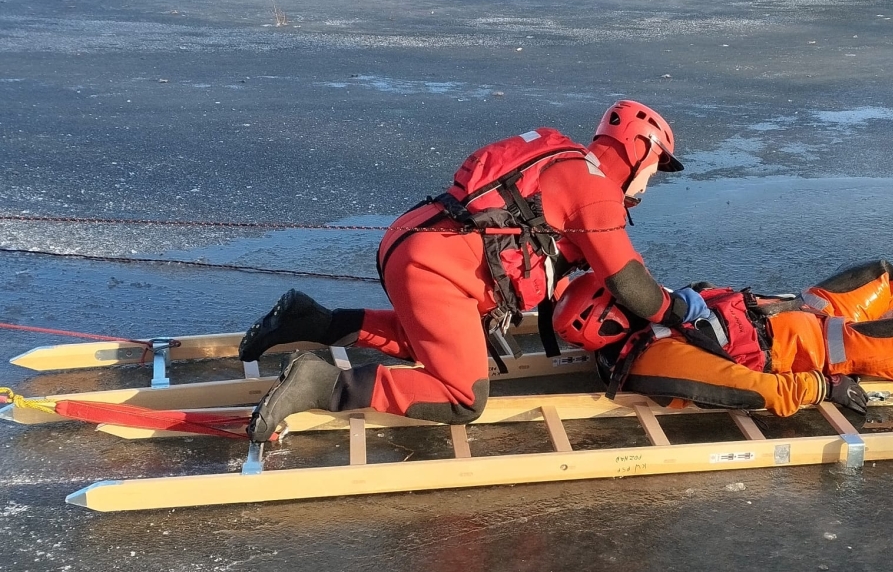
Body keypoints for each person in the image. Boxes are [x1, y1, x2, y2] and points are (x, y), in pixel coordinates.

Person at [242, 100, 713, 441]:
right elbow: (631, 286)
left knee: (437, 341)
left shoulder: (564, 159)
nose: (651, 181)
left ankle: (311, 321)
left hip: (411, 240)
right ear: (637, 150)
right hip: (436, 270)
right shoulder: (596, 190)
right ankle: (321, 382)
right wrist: (679, 310)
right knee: (463, 396)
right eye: (654, 167)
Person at [552, 259, 893, 417]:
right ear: (610, 317)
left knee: (883, 276)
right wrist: (822, 389)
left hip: (797, 312)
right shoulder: (660, 357)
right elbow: (753, 391)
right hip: (821, 350)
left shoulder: (657, 320)